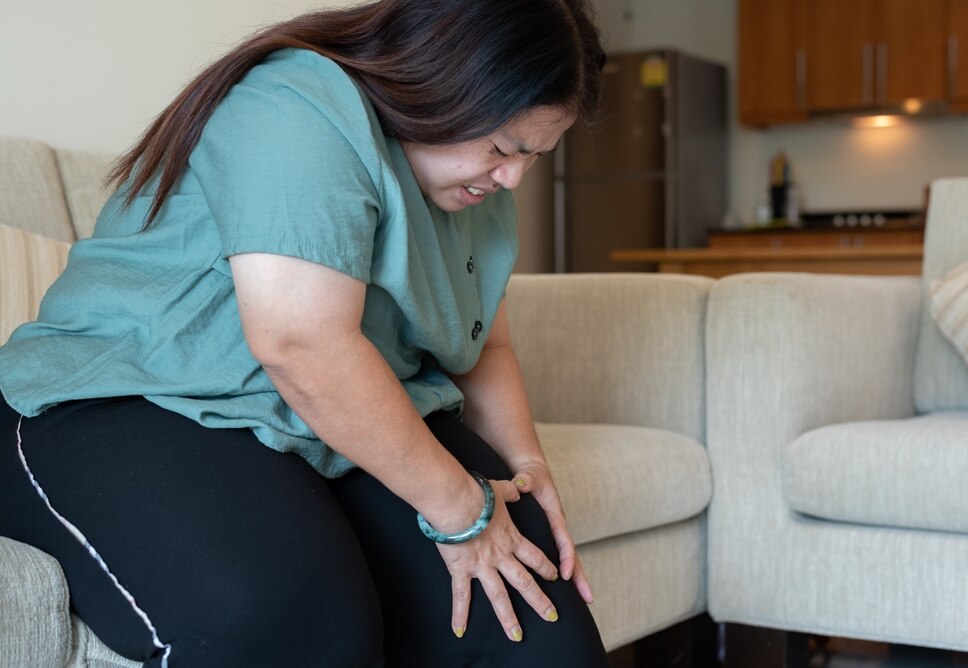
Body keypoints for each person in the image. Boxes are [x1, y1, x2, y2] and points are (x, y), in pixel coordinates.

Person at [0, 1, 610, 666]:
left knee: (541, 633)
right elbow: (302, 345)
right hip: (134, 397)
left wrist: (527, 467)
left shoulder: (472, 195)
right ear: (439, 85)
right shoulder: (298, 106)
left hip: (322, 418)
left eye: (534, 156)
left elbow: (482, 344)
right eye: (502, 148)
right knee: (294, 622)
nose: (513, 177)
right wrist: (463, 507)